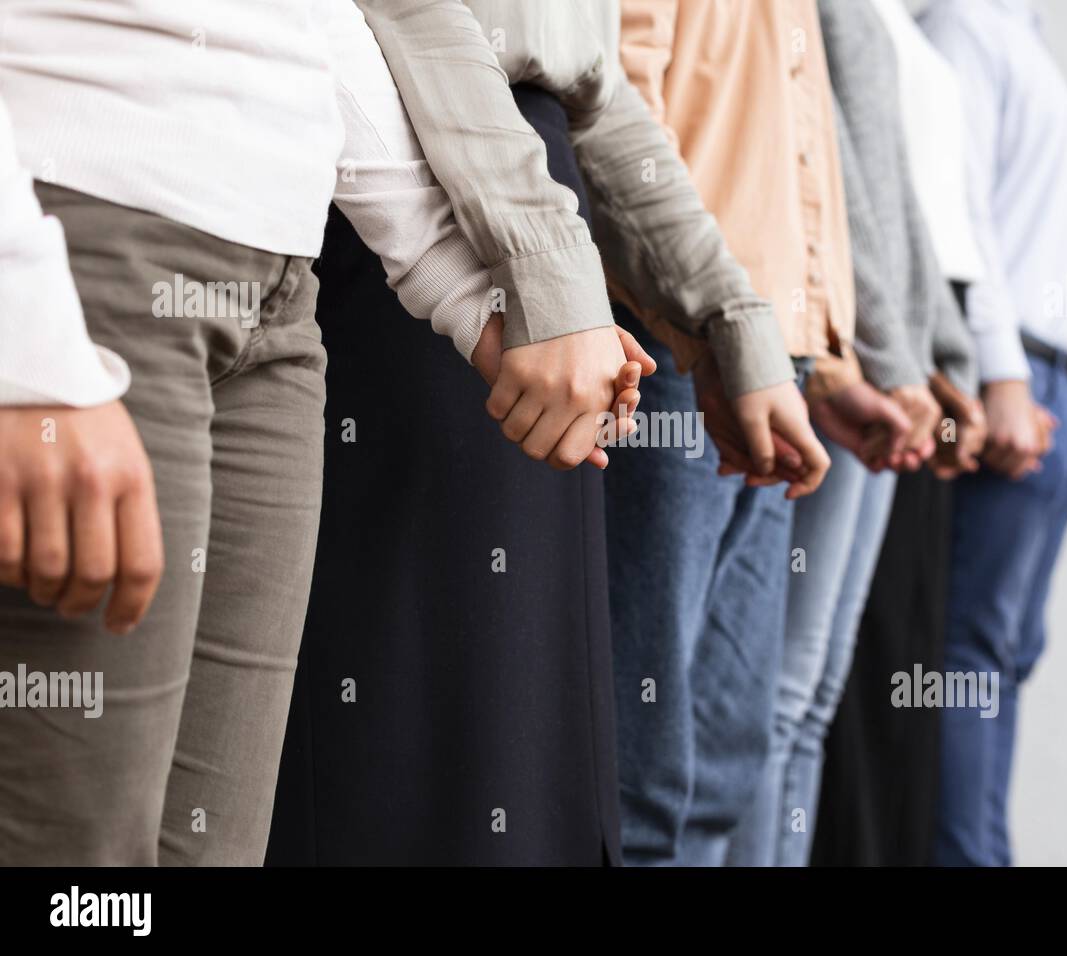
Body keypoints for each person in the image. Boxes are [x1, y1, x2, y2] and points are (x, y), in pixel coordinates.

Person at [0, 0, 637, 866]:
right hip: (94, 247)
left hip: (277, 293)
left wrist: (459, 283)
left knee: (211, 852)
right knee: (80, 866)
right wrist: (25, 339)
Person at [267, 0, 829, 866]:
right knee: (421, 772)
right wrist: (538, 263)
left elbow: (591, 85)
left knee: (537, 781)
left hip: (532, 237)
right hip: (419, 214)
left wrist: (725, 314)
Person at [609, 0, 925, 867]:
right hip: (676, 346)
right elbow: (615, 102)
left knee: (725, 760)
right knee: (642, 768)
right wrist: (717, 327)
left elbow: (802, 172)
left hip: (772, 365)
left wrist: (824, 368)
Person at [920, 0, 1067, 866]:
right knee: (971, 661)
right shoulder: (964, 26)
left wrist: (1064, 395)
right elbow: (958, 209)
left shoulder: (1022, 35)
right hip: (1014, 376)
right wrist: (1002, 374)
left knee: (1006, 657)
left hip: (1051, 382)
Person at [812, 0, 991, 868]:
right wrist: (893, 359)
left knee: (814, 696)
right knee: (796, 699)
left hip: (891, 344)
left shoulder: (903, 28)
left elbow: (920, 209)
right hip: (846, 338)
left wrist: (941, 364)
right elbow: (844, 180)